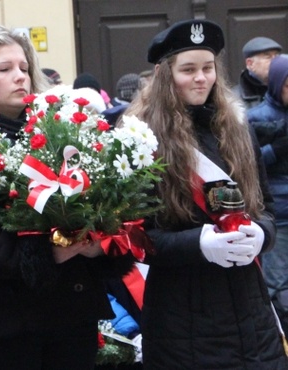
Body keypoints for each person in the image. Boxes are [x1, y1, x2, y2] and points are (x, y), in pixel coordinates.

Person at [0, 25, 133, 370]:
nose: (19, 77)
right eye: (4, 69)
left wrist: (100, 241)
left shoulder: (64, 137)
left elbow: (98, 204)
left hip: (69, 319)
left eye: (24, 68)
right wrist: (44, 253)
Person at [124, 19, 288, 369]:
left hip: (250, 309)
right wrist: (198, 244)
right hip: (182, 318)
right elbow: (134, 235)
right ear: (164, 74)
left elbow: (268, 210)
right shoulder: (140, 139)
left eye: (208, 68)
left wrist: (261, 234)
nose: (201, 78)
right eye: (188, 70)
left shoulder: (238, 130)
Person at [247, 55, 288, 334]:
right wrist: (277, 150)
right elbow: (246, 164)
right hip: (281, 216)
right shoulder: (256, 117)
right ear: (276, 85)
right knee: (278, 286)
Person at [233, 36, 282, 109]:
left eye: (277, 57)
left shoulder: (284, 93)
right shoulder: (233, 100)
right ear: (250, 63)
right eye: (268, 57)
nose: (275, 61)